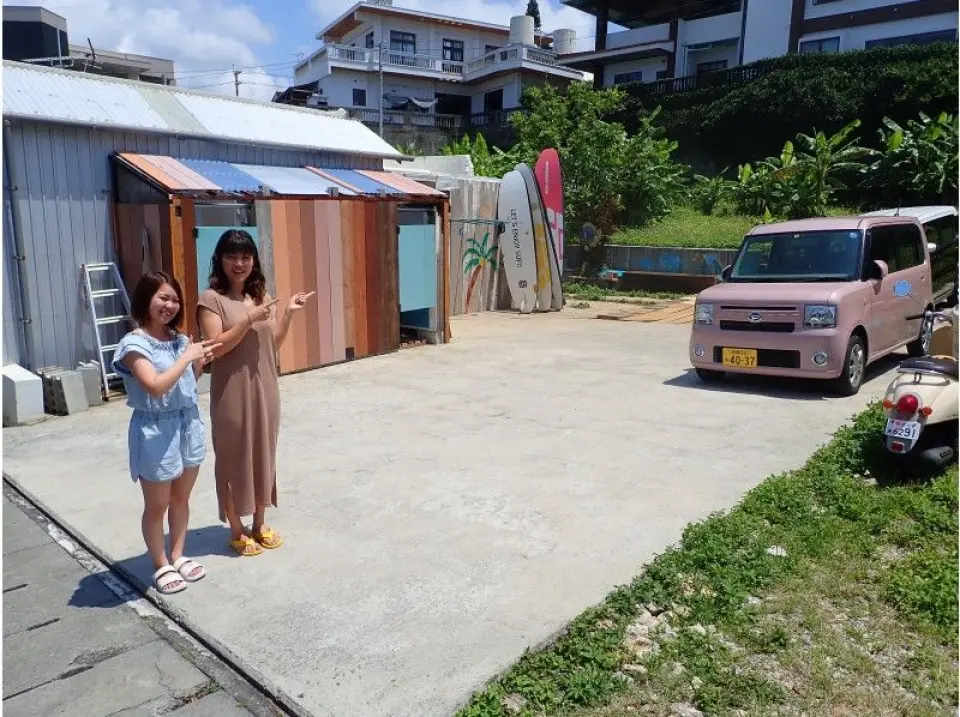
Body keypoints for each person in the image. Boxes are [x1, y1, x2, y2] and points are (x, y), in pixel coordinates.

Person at [197, 229, 314, 557]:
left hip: (265, 387)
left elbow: (270, 345)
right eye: (232, 256)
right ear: (220, 259)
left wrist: (288, 313)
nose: (239, 263)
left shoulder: (262, 295)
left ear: (254, 260)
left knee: (264, 455)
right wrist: (248, 319)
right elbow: (216, 348)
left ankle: (259, 523)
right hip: (231, 392)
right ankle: (237, 528)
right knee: (234, 458)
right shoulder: (211, 299)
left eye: (245, 256)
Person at [113, 271, 220, 595]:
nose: (170, 305)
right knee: (157, 504)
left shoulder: (178, 339)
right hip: (156, 430)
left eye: (174, 299)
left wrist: (199, 362)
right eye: (163, 297)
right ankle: (160, 563)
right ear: (146, 298)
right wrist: (188, 356)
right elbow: (155, 387)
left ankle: (178, 553)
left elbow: (185, 382)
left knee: (180, 498)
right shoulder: (133, 344)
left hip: (187, 423)